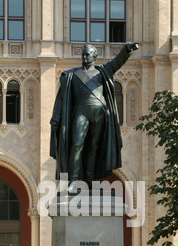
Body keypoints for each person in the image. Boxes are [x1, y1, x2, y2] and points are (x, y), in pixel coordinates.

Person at [50, 42, 139, 194]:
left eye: (88, 54)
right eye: (83, 54)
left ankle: (90, 181)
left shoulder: (103, 71)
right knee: (77, 145)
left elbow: (117, 62)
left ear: (95, 56)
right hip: (81, 111)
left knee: (93, 147)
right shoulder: (71, 75)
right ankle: (73, 180)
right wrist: (56, 118)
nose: (85, 57)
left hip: (100, 114)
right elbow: (61, 99)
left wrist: (126, 50)